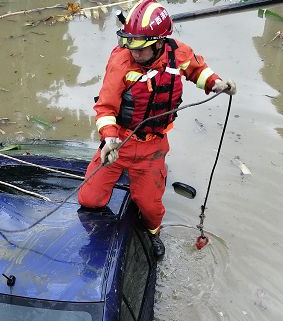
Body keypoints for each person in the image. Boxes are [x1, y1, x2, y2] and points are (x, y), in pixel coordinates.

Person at [77, 0, 237, 259]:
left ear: (160, 43)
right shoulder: (122, 62)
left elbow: (197, 69)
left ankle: (153, 233)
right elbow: (105, 107)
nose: (134, 53)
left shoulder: (178, 54)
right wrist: (108, 140)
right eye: (130, 45)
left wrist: (216, 83)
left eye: (140, 49)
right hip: (120, 143)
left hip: (153, 147)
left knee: (150, 208)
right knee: (90, 199)